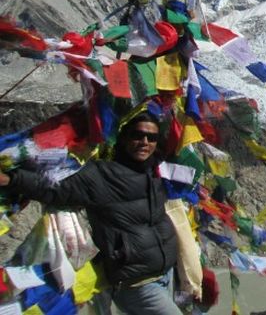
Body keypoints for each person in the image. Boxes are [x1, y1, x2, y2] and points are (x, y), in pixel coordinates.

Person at [0, 114, 181, 315]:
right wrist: (11, 179)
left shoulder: (153, 172)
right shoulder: (100, 175)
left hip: (165, 273)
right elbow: (56, 189)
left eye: (151, 138)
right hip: (136, 283)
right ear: (124, 138)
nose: (145, 142)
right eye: (137, 135)